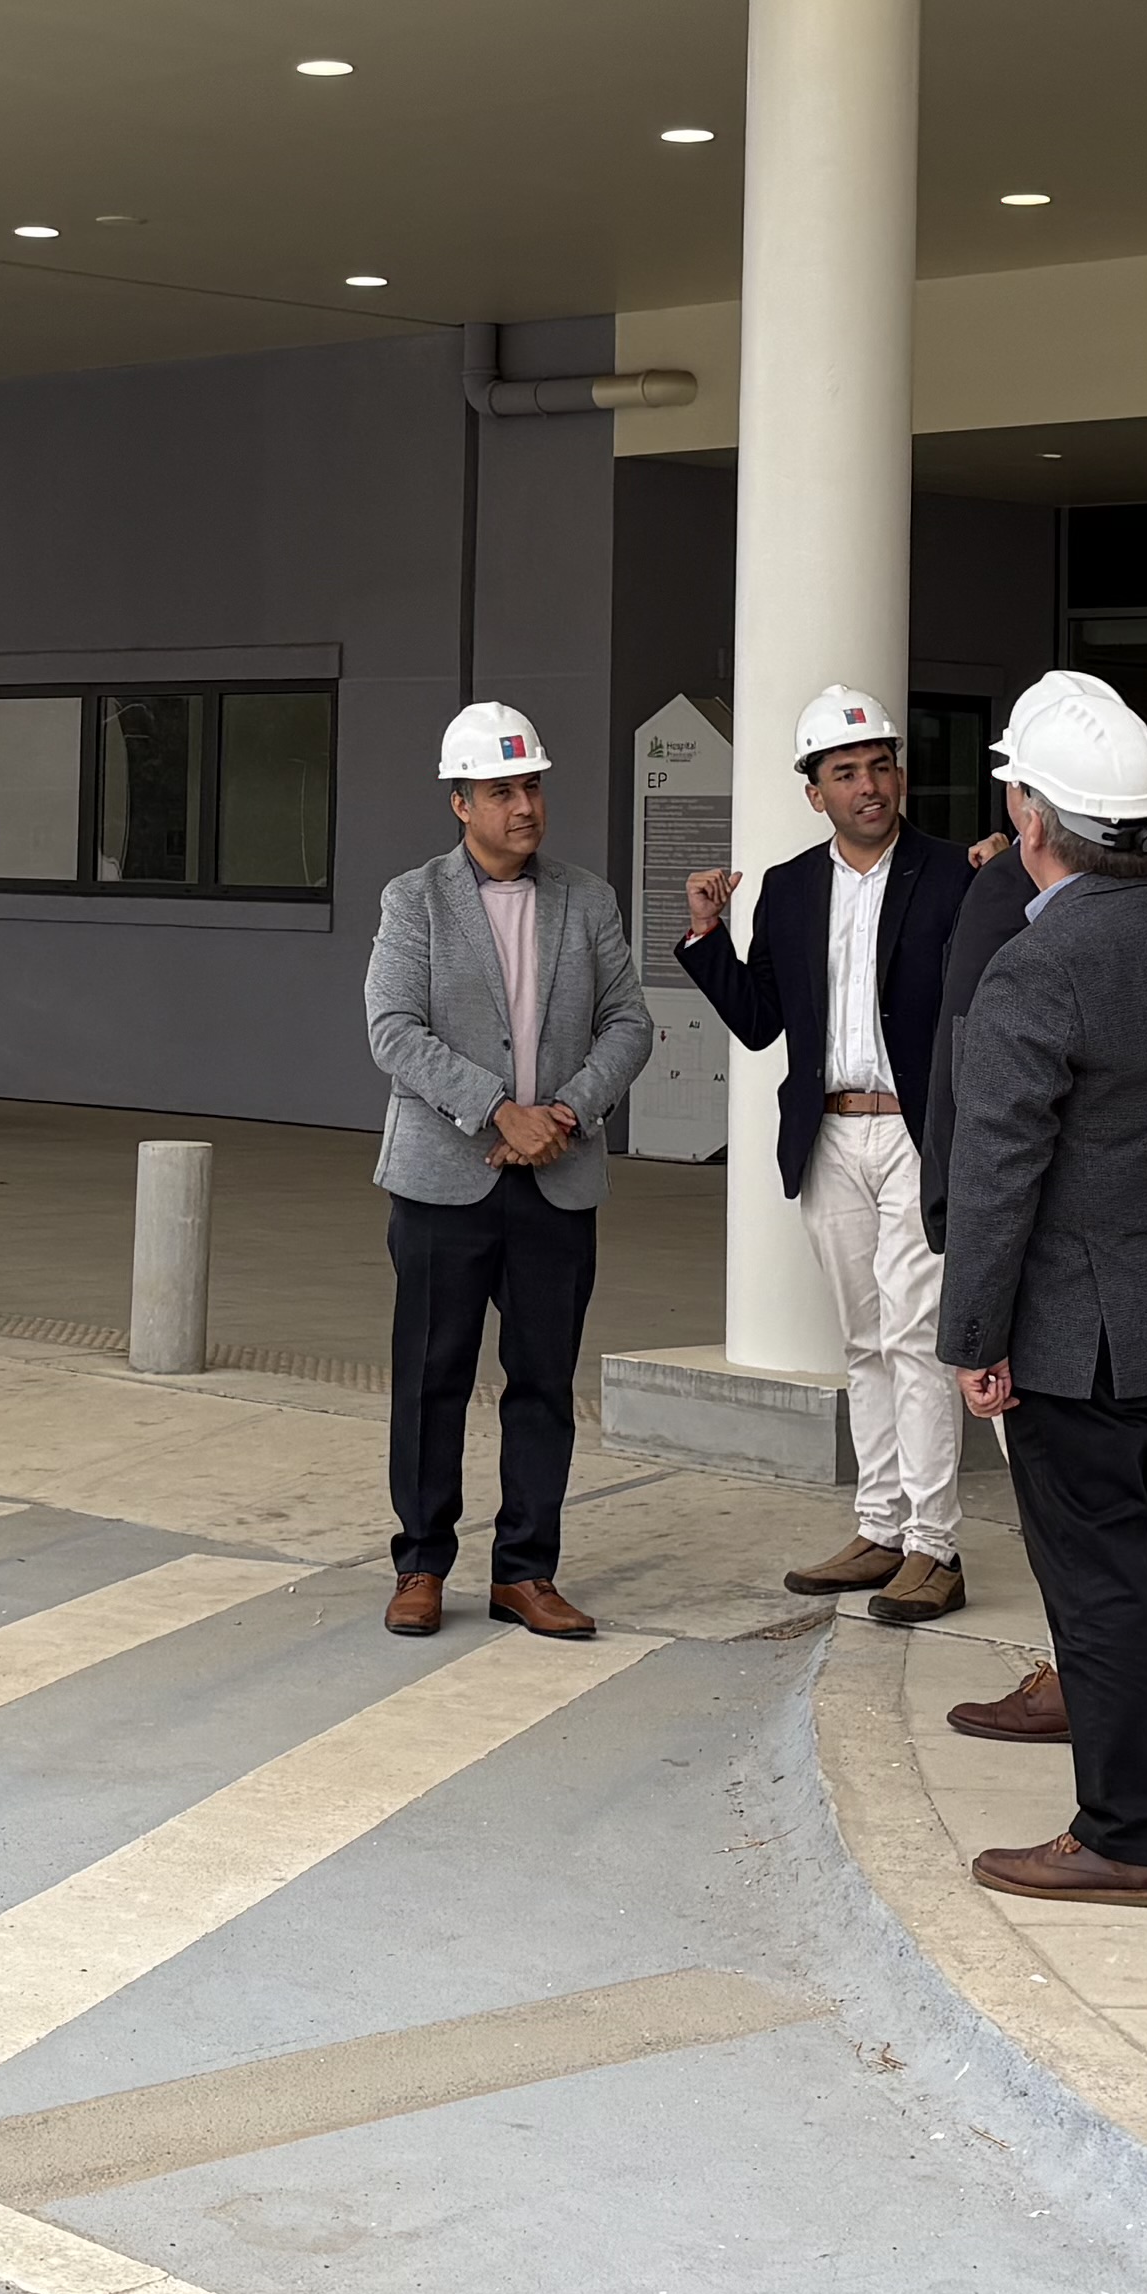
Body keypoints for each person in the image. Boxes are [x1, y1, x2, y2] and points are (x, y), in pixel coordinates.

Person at [937, 668, 1147, 1909]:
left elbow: (996, 1171)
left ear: (1031, 818)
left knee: (1101, 1581)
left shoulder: (1039, 965)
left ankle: (1127, 1835)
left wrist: (974, 1336)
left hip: (1077, 1336)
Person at [672, 683, 965, 1624]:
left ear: (900, 775)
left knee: (916, 1336)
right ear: (815, 792)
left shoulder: (956, 874)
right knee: (863, 1339)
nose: (867, 785)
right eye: (845, 773)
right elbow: (763, 1022)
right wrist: (708, 938)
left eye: (880, 766)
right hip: (829, 1133)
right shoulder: (791, 888)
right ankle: (880, 1527)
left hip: (917, 1131)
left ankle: (935, 1544)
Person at [360, 699, 652, 1641]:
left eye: (532, 787)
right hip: (443, 1182)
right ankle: (421, 1563)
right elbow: (393, 1030)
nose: (525, 806)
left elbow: (629, 1022)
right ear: (460, 802)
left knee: (543, 1383)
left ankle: (526, 1572)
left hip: (557, 1179)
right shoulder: (414, 900)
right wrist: (498, 1109)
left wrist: (562, 1113)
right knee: (431, 1378)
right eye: (502, 791)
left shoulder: (587, 899)